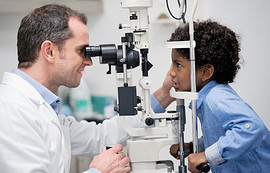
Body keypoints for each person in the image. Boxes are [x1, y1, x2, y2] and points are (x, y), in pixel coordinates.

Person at [0, 4, 174, 173]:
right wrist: (98, 172)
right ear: (49, 51)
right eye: (81, 51)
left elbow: (103, 135)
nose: (89, 61)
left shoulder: (44, 108)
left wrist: (165, 94)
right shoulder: (10, 109)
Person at [166, 20, 270, 173]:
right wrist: (195, 146)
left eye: (178, 65)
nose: (171, 72)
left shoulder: (216, 98)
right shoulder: (207, 97)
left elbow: (252, 127)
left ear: (206, 72)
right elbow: (221, 135)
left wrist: (205, 156)